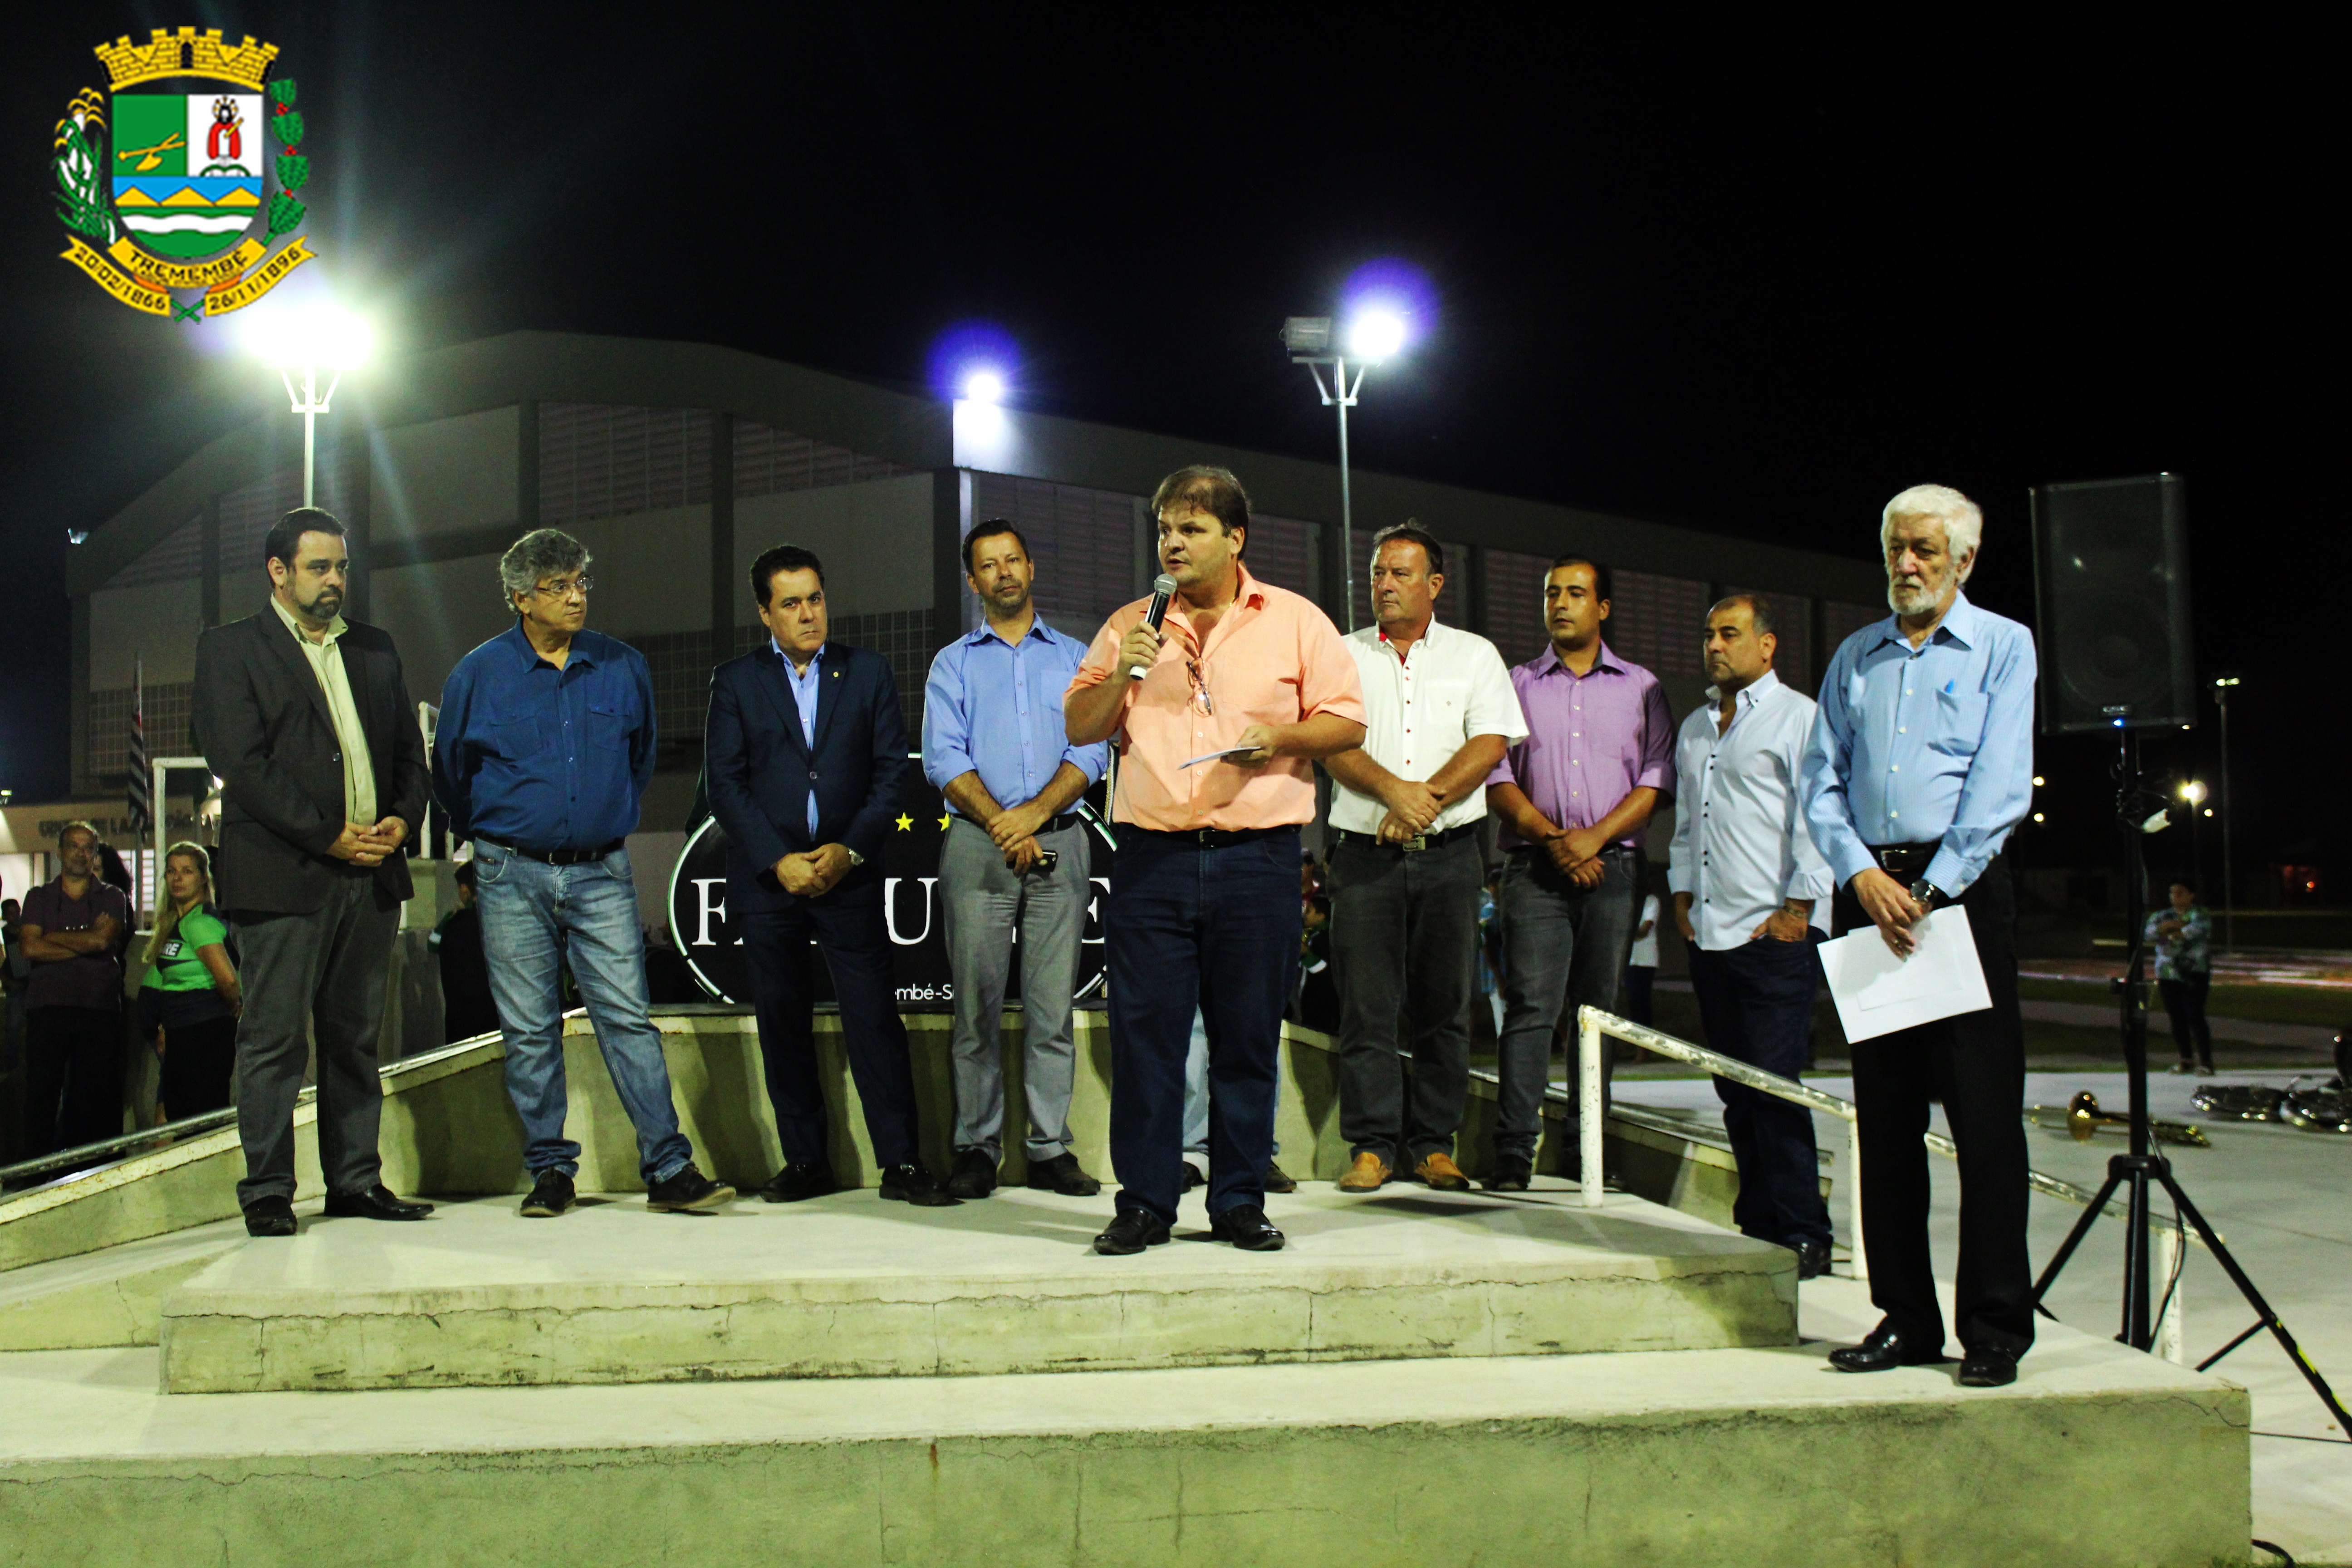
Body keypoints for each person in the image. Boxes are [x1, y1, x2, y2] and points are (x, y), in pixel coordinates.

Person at [1065, 465, 1366, 1255]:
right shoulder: (1131, 622)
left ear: (1235, 538)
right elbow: (1081, 723)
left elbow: (1345, 723)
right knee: (1146, 1038)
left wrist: (1283, 738)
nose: (1171, 542)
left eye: (1190, 529)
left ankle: (1237, 1198)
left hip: (1255, 860)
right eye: (1164, 528)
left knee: (1244, 1037)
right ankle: (1143, 1203)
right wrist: (1127, 668)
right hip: (1150, 860)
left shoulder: (1295, 621)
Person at [1801, 483, 2038, 1389]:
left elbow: (2003, 782)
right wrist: (1862, 875)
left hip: (1960, 898)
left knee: (1985, 1124)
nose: (1908, 565)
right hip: (1873, 894)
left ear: (1964, 560)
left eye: (1927, 551)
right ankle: (1906, 1316)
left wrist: (1932, 888)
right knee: (1888, 1121)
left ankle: (1995, 1327)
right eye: (1898, 547)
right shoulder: (1856, 657)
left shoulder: (2002, 647)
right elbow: (1822, 778)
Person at [434, 528, 733, 1217]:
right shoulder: (476, 676)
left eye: (580, 583)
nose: (575, 597)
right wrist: (490, 837)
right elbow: (450, 776)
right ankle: (550, 1173)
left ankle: (668, 1168)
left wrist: (596, 819)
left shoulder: (622, 666)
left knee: (628, 1019)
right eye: (556, 587)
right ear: (519, 598)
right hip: (510, 873)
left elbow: (642, 757)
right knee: (530, 1028)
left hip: (601, 870)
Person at [190, 506, 437, 1238]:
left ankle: (355, 1181)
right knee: (273, 1040)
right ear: (279, 571)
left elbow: (407, 757)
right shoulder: (231, 649)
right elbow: (242, 764)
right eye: (319, 568)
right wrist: (329, 835)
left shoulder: (374, 648)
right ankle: (268, 1189)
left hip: (371, 876)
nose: (335, 582)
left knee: (355, 1038)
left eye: (342, 568)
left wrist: (402, 819)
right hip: (285, 876)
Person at [705, 543, 956, 1206]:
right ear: (766, 613)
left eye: (815, 598)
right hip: (771, 881)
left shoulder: (866, 672)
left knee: (875, 1019)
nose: (808, 614)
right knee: (782, 1023)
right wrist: (776, 859)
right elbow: (725, 787)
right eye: (791, 603)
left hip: (850, 875)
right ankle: (806, 1161)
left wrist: (848, 850)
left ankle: (901, 1163)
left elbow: (890, 774)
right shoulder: (734, 682)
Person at [1323, 524, 1525, 1194]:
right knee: (1366, 1007)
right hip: (1363, 859)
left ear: (1435, 584)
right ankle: (1373, 1146)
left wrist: (1423, 802)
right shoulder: (1341, 654)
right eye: (1379, 573)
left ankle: (1435, 1145)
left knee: (1445, 1006)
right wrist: (1392, 793)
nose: (1383, 584)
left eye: (1400, 574)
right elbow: (1328, 744)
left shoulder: (1474, 656)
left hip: (1449, 857)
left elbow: (1491, 743)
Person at [922, 519, 1108, 1200]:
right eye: (988, 566)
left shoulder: (1076, 656)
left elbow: (1094, 749)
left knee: (1052, 1009)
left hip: (1061, 841)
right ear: (974, 582)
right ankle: (976, 1148)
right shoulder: (954, 663)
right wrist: (1006, 823)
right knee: (974, 1009)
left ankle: (1049, 1148)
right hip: (977, 847)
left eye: (1013, 560)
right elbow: (944, 758)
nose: (1003, 573)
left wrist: (1032, 817)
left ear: (1031, 569)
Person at [1483, 557, 1675, 1191]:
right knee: (1532, 1009)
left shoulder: (1642, 686)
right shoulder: (1515, 684)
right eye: (1551, 594)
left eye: (1575, 593)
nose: (1560, 604)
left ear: (1604, 608)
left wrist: (1593, 838)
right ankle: (1514, 1152)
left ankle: (1587, 1147)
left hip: (1614, 869)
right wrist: (1556, 839)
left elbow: (1656, 778)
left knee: (1600, 1012)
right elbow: (1497, 776)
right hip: (1534, 868)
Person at [1668, 595, 1836, 1279]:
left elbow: (1820, 816)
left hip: (1774, 936)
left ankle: (1804, 1232)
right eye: (1709, 633)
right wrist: (1680, 890)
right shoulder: (1696, 727)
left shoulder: (1800, 719)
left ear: (1766, 647)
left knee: (1776, 1089)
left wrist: (1800, 904)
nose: (1715, 645)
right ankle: (1759, 1223)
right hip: (1710, 933)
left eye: (1729, 634)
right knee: (1736, 1091)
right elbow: (1687, 819)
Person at [17, 822, 131, 1156]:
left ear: (95, 853)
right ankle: (34, 1170)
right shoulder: (39, 897)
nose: (81, 854)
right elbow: (29, 950)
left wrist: (50, 937)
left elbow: (103, 940)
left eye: (87, 848)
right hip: (47, 1009)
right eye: (73, 847)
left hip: (99, 1010)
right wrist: (88, 943)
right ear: (60, 852)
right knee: (41, 1095)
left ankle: (87, 1169)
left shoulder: (112, 896)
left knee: (92, 1096)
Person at [139, 842, 240, 1121]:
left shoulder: (200, 923)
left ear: (203, 877)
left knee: (200, 1118)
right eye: (171, 871)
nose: (177, 878)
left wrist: (232, 1008)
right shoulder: (177, 923)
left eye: (187, 871)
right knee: (180, 1116)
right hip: (182, 1031)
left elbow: (229, 981)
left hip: (205, 1032)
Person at [429, 861, 500, 1044]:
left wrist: (449, 916)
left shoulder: (454, 924)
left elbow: (432, 944)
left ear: (464, 888)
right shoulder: (497, 921)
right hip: (494, 1015)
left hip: (460, 1020)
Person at [2150, 878, 2214, 1075]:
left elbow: (2193, 933)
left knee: (2195, 1015)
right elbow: (2150, 933)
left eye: (2180, 893)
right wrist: (2170, 930)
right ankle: (2186, 1059)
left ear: (2191, 895)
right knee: (2176, 1018)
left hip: (2194, 972)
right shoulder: (2162, 915)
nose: (2175, 897)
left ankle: (2206, 1062)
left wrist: (2170, 931)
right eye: (2172, 893)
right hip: (2168, 973)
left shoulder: (2200, 914)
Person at [1624, 893, 1661, 1027]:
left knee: (1642, 1002)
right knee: (1634, 1002)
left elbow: (1644, 931)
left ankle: (1644, 1042)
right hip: (1630, 959)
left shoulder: (1651, 901)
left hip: (1646, 960)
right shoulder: (1628, 900)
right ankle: (1639, 1041)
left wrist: (1622, 934)